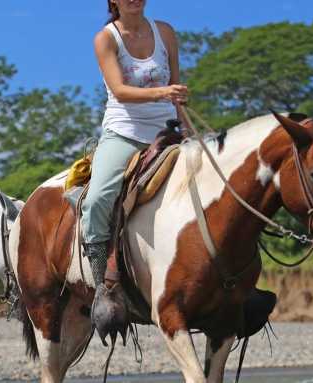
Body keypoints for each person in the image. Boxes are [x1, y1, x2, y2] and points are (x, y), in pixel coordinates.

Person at [83, 0, 188, 329]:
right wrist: (163, 92)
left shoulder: (166, 32)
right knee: (98, 197)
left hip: (168, 130)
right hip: (125, 133)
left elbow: (176, 92)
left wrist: (188, 127)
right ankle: (102, 284)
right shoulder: (106, 38)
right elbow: (119, 90)